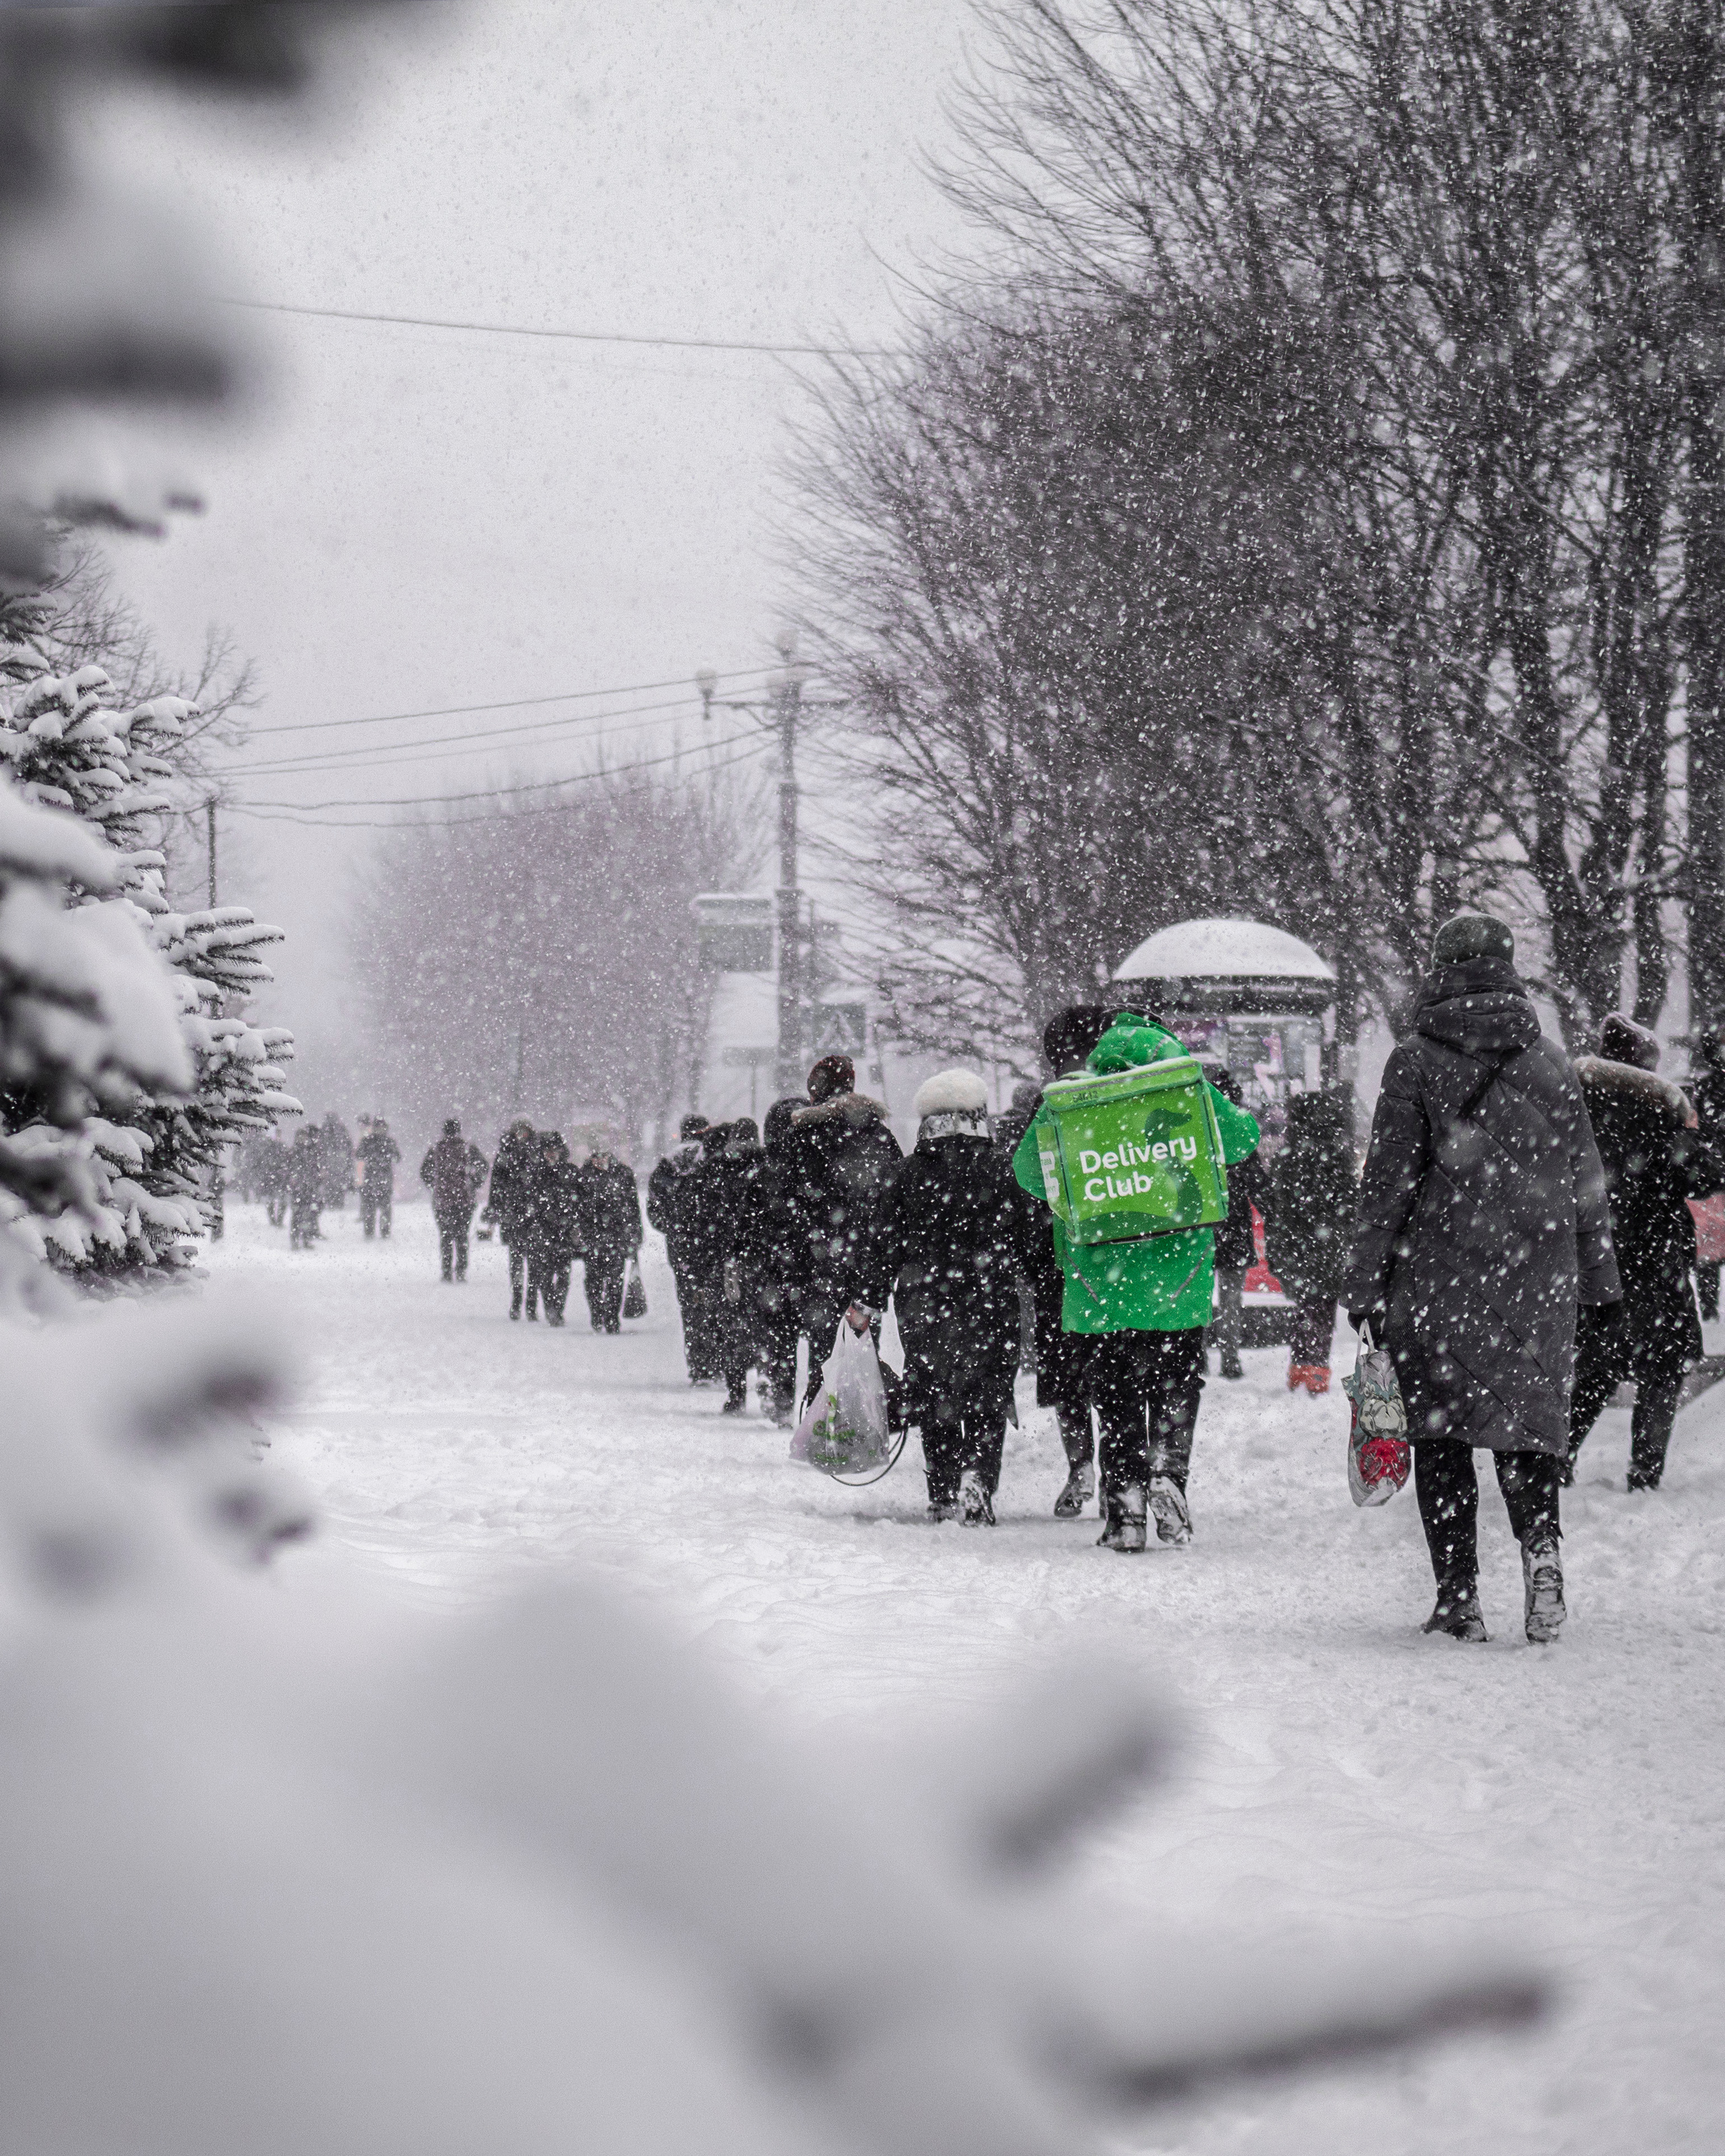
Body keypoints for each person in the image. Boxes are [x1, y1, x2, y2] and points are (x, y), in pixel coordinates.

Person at [1342, 912, 1619, 1645]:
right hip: (1540, 1284)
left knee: (1443, 1442)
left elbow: (1387, 1187)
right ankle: (1542, 1556)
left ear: (1441, 967)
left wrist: (1364, 1284)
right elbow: (1586, 1183)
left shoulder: (1413, 1060)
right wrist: (1601, 1285)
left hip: (1439, 1284)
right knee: (1528, 1435)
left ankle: (1459, 1598)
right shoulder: (1554, 1063)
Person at [1013, 1011, 1260, 1553]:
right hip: (1180, 1275)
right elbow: (1244, 1138)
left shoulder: (1073, 1096)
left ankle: (1125, 1509)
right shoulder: (1185, 1082)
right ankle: (1169, 1473)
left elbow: (1029, 1172)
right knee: (1177, 1380)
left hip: (1104, 1280)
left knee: (1116, 1392)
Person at [860, 1070, 1041, 1524]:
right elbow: (1031, 1241)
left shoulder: (905, 1173)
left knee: (935, 1390)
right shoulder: (1005, 1169)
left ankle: (942, 1491)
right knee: (989, 1390)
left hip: (925, 1299)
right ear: (978, 1116)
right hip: (991, 1294)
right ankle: (979, 1477)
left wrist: (866, 1298)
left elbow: (884, 1242)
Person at [1567, 1015, 1719, 1492]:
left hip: (1594, 1256)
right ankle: (1645, 1474)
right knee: (1663, 1365)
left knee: (1597, 1364)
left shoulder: (1572, 1107)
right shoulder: (1662, 1113)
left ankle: (1557, 1458)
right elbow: (1705, 1176)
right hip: (1655, 1258)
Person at [997, 1008, 1112, 1516]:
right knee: (1113, 1371)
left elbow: (1022, 1186)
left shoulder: (1047, 1109)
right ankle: (1117, 1469)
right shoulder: (1118, 1102)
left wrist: (1030, 1252)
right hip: (1114, 1262)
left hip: (1056, 1267)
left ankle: (1081, 1465)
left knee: (1068, 1374)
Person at [784, 1054, 902, 1392]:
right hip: (867, 1266)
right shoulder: (879, 1135)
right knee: (863, 1353)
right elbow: (893, 1202)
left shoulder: (803, 1138)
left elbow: (787, 1208)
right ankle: (861, 1430)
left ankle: (823, 1431)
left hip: (817, 1265)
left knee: (823, 1356)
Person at [1266, 1089, 1358, 1394]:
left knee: (1304, 1307)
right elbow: (1349, 1203)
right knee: (1322, 1310)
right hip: (1328, 1246)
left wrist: (1279, 1244)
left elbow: (1278, 1206)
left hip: (1297, 1245)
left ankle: (1300, 1369)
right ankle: (1316, 1372)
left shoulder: (1286, 1156)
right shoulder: (1337, 1156)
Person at [648, 1113, 719, 1379]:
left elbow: (655, 1211)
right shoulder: (713, 1161)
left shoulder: (667, 1167)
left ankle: (699, 1365)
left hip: (682, 1251)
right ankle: (718, 1361)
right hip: (713, 1248)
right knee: (715, 1305)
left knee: (692, 1307)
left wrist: (676, 1227)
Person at [1210, 1068, 1269, 1384]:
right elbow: (1258, 1183)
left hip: (1197, 1226)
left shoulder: (1193, 1129)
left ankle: (1194, 1357)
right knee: (1231, 1296)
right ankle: (1229, 1359)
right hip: (1233, 1226)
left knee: (1196, 1294)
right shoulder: (1238, 1135)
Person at [575, 1138, 643, 1332]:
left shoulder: (623, 1174)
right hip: (593, 1235)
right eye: (596, 1155)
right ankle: (597, 1314)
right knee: (594, 1279)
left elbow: (632, 1206)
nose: (600, 1160)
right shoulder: (584, 1176)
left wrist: (635, 1233)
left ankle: (612, 1316)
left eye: (603, 1155)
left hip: (616, 1235)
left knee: (615, 1279)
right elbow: (578, 1208)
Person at [520, 1130, 582, 1325]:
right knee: (545, 1274)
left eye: (554, 1149)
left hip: (565, 1229)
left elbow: (580, 1199)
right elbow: (528, 1200)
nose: (551, 1153)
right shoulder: (537, 1173)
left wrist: (573, 1220)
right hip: (543, 1229)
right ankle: (551, 1308)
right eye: (547, 1150)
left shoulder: (571, 1172)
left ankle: (557, 1308)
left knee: (563, 1274)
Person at [420, 1117, 489, 1283]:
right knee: (462, 1235)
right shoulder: (467, 1148)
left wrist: (435, 1186)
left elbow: (424, 1172)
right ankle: (461, 1269)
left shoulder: (436, 1149)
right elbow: (483, 1166)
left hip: (442, 1200)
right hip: (464, 1199)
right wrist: (474, 1183)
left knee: (445, 1236)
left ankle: (446, 1270)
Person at [482, 1119, 538, 1318]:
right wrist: (495, 1210)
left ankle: (530, 1302)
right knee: (516, 1259)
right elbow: (496, 1184)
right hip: (513, 1212)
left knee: (534, 1261)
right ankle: (517, 1300)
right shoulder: (506, 1153)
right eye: (518, 1131)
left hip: (530, 1213)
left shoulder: (535, 1151)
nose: (521, 1135)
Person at [1689, 1020, 1725, 1320]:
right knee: (1710, 1250)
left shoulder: (1706, 1087)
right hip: (1713, 1181)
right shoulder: (1707, 1087)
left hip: (1712, 1178)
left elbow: (1698, 1131)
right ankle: (1710, 1311)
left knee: (1710, 1250)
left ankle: (1710, 1311)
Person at [354, 1117, 400, 1240]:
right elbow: (358, 1155)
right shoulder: (367, 1141)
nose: (380, 1130)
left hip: (383, 1180)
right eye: (378, 1127)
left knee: (385, 1208)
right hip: (371, 1180)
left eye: (382, 1127)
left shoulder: (389, 1142)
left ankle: (385, 1232)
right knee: (370, 1208)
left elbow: (397, 1157)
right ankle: (369, 1232)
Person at [286, 1123, 324, 1251]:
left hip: (309, 1188)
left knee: (308, 1215)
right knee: (297, 1215)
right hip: (298, 1189)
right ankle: (295, 1240)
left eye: (304, 1137)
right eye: (300, 1137)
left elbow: (315, 1169)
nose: (302, 1140)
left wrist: (317, 1180)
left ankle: (306, 1239)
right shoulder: (293, 1152)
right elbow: (288, 1169)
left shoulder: (310, 1152)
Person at [319, 1111, 354, 1212]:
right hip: (339, 1159)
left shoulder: (324, 1130)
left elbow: (321, 1145)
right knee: (338, 1181)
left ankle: (332, 1202)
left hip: (332, 1159)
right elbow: (348, 1144)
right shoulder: (341, 1129)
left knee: (332, 1182)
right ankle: (337, 1202)